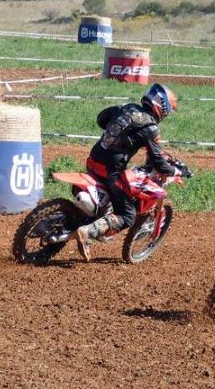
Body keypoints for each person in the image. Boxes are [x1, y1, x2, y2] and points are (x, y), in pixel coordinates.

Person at [71, 83, 180, 261]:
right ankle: (87, 232)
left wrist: (117, 132)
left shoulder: (127, 108)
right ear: (162, 106)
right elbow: (157, 160)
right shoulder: (150, 128)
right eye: (167, 110)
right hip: (110, 171)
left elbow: (101, 119)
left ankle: (89, 221)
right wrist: (172, 170)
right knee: (127, 215)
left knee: (109, 197)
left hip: (93, 159)